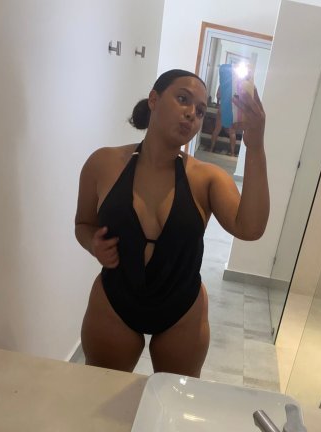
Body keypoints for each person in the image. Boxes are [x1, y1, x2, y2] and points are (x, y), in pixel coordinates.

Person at [75, 69, 269, 377]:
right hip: (114, 300)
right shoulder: (103, 164)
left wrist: (255, 146)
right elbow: (83, 223)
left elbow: (250, 228)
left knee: (176, 399)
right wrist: (92, 244)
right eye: (182, 99)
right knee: (100, 391)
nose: (192, 113)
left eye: (201, 110)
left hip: (182, 308)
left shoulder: (208, 178)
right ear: (154, 99)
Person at [208, 85, 240, 156]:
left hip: (222, 108)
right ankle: (232, 153)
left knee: (216, 130)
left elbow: (218, 95)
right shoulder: (238, 84)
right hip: (232, 110)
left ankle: (211, 149)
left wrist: (217, 103)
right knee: (232, 132)